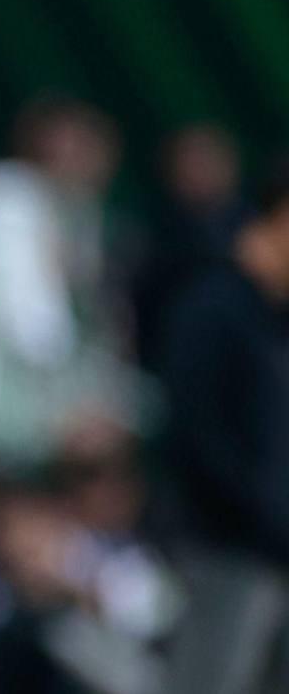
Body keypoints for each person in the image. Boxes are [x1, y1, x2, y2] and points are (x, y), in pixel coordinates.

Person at [160, 164, 289, 694]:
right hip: (226, 553)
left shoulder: (274, 319)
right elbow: (198, 439)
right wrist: (267, 517)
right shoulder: (213, 307)